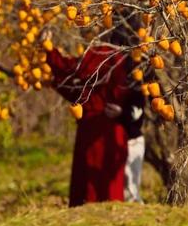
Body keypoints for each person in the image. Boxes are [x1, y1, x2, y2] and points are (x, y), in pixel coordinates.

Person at [46, 41, 130, 207]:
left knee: (93, 179)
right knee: (102, 182)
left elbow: (73, 72)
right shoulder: (121, 58)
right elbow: (79, 90)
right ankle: (106, 208)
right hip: (107, 128)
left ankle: (92, 207)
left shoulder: (101, 55)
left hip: (98, 128)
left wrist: (50, 52)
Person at [122, 77, 145, 202]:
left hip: (133, 141)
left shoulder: (136, 91)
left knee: (131, 185)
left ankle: (134, 208)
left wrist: (121, 113)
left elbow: (136, 116)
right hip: (119, 140)